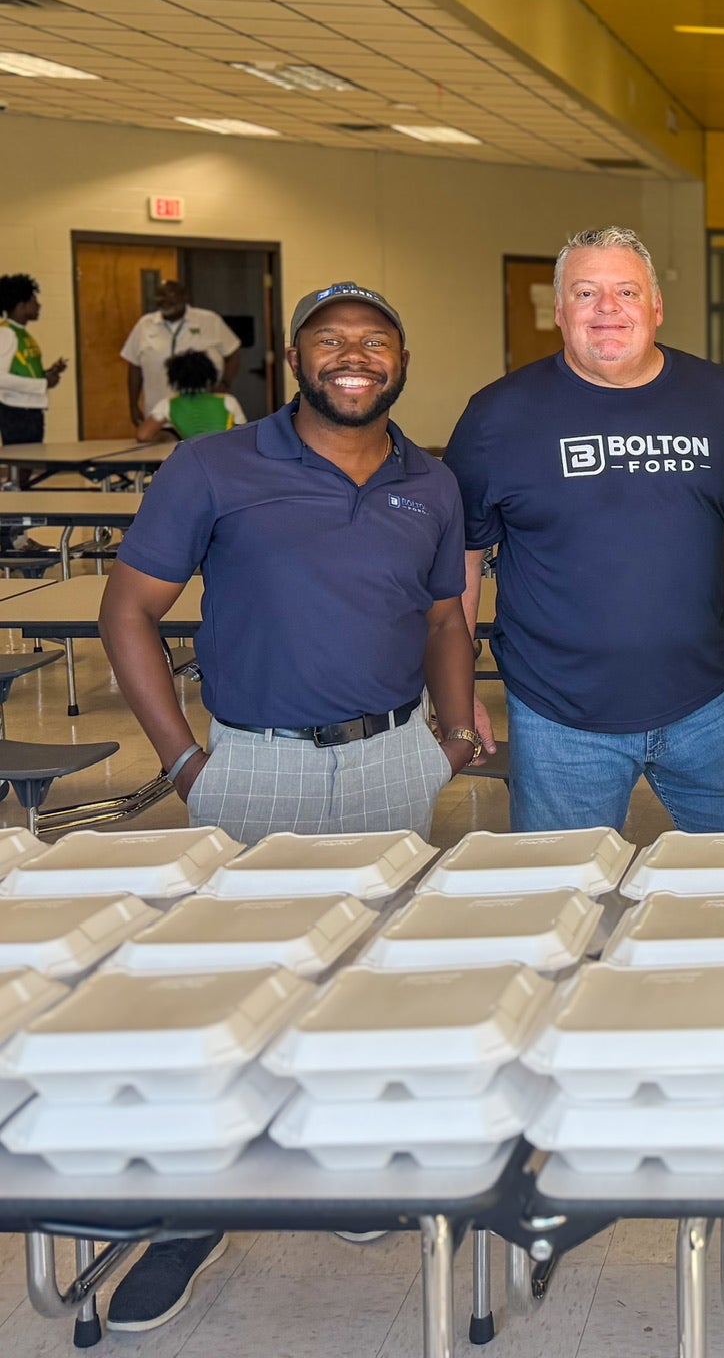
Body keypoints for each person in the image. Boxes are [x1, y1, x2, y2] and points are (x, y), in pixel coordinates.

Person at [97, 280, 479, 1332]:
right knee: (225, 997)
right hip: (254, 767)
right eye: (330, 340)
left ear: (401, 362)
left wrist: (450, 738)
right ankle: (190, 1219)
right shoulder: (213, 464)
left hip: (392, 762)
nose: (354, 356)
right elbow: (128, 612)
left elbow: (445, 618)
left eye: (375, 341)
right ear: (296, 360)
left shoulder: (430, 480)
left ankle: (345, 1169)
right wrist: (186, 763)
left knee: (371, 980)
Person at [444, 225, 724, 834]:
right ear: (559, 311)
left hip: (706, 702)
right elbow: (460, 558)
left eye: (627, 292)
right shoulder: (497, 415)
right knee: (565, 881)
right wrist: (457, 696)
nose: (607, 309)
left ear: (656, 307)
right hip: (559, 716)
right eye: (586, 293)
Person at [122, 280, 239, 428]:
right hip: (159, 416)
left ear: (185, 296)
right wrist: (133, 404)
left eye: (171, 295)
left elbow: (233, 354)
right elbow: (134, 366)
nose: (165, 300)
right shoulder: (144, 325)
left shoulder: (209, 320)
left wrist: (223, 384)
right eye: (160, 296)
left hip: (202, 416)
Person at [0, 273, 66, 445]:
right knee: (23, 459)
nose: (38, 305)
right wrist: (43, 384)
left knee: (31, 459)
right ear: (21, 306)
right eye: (33, 301)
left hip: (30, 410)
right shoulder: (6, 333)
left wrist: (48, 373)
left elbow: (21, 371)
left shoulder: (21, 334)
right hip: (17, 412)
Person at [136, 349, 246, 440]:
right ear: (209, 376)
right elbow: (245, 435)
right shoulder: (228, 400)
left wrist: (168, 436)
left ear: (174, 378)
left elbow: (143, 435)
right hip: (227, 455)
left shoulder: (168, 404)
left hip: (194, 456)